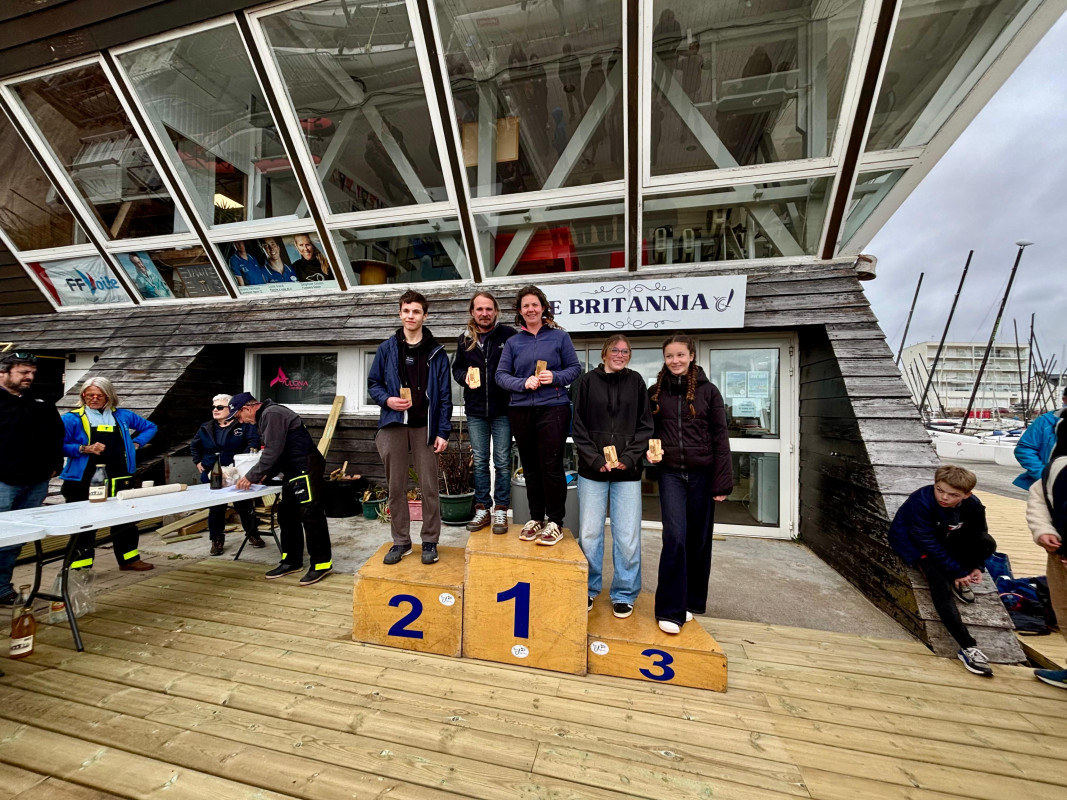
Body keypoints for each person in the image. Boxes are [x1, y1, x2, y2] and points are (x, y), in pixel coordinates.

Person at [646, 335, 732, 634]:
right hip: (670, 474)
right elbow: (648, 431)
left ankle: (691, 601)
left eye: (680, 355)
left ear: (691, 356)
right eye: (669, 356)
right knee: (675, 538)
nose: (675, 361)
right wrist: (649, 454)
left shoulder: (709, 392)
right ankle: (670, 610)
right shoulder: (655, 393)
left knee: (698, 540)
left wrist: (722, 483)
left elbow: (721, 437)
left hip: (702, 475)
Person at [368, 290, 452, 565]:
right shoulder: (387, 349)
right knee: (396, 487)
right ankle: (401, 541)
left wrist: (443, 431)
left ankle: (430, 540)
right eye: (406, 311)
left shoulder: (437, 353)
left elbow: (445, 397)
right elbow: (374, 384)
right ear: (400, 313)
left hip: (425, 427)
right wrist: (387, 400)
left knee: (429, 486)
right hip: (393, 424)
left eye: (416, 311)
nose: (410, 316)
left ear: (425, 316)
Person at [572, 335, 653, 618]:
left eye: (625, 351)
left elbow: (645, 427)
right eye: (615, 350)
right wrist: (595, 460)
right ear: (604, 353)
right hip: (592, 472)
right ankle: (588, 588)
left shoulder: (636, 382)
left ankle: (624, 593)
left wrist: (628, 459)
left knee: (627, 536)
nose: (620, 355)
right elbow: (578, 426)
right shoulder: (586, 382)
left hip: (627, 473)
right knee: (590, 535)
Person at [889, 465, 997, 677]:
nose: (944, 497)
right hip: (915, 545)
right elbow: (926, 542)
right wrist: (957, 571)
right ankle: (968, 647)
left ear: (967, 495)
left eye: (953, 495)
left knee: (987, 543)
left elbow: (980, 533)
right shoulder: (921, 500)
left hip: (944, 539)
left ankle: (959, 579)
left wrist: (977, 566)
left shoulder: (973, 504)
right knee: (939, 583)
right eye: (939, 490)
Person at [496, 285, 581, 546]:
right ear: (520, 311)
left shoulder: (559, 337)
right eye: (526, 306)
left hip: (553, 407)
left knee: (551, 466)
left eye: (535, 304)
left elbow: (574, 369)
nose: (531, 309)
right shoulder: (513, 342)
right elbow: (501, 376)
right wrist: (523, 383)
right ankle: (535, 518)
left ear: (543, 307)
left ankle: (555, 521)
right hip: (521, 409)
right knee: (531, 467)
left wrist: (554, 376)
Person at [232, 392, 332, 585]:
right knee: (287, 515)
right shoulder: (266, 417)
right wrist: (265, 476)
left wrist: (251, 476)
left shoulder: (272, 413)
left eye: (239, 416)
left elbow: (272, 451)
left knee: (311, 515)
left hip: (305, 467)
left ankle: (321, 564)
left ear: (247, 408)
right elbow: (279, 452)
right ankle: (291, 561)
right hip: (292, 470)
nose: (241, 421)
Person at [60, 377, 157, 572]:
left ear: (109, 396)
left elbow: (150, 427)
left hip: (120, 477)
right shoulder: (71, 419)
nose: (94, 399)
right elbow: (58, 445)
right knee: (84, 524)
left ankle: (129, 560)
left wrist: (136, 443)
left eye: (99, 395)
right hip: (84, 480)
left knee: (126, 521)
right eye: (89, 395)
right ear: (83, 396)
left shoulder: (122, 416)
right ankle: (80, 568)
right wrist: (84, 448)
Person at [0, 352, 64, 606]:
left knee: (17, 537)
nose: (29, 377)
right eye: (23, 372)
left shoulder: (40, 400)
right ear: (3, 372)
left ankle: (1, 587)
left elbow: (57, 434)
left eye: (32, 373)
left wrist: (56, 465)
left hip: (36, 481)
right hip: (3, 482)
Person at [451, 292, 516, 535]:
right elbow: (457, 368)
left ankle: (501, 509)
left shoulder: (508, 335)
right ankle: (482, 508)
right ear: (472, 312)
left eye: (489, 309)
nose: (484, 313)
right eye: (480, 309)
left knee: (502, 462)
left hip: (503, 410)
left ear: (496, 311)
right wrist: (464, 378)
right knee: (479, 462)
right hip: (476, 410)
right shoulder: (465, 338)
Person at [190, 393, 265, 556]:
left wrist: (240, 464)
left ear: (230, 408)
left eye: (219, 407)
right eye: (213, 407)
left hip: (237, 473)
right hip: (213, 473)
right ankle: (216, 539)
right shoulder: (206, 427)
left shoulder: (243, 425)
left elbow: (253, 443)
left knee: (244, 506)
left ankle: (252, 534)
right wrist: (198, 461)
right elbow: (194, 446)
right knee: (216, 508)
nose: (215, 410)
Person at [1026, 417, 1067, 688]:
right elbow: (1039, 498)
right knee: (1063, 610)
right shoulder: (1056, 467)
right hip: (1059, 555)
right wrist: (1042, 530)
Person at [1013, 388, 1066, 489]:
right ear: (1064, 400)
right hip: (1049, 485)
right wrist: (1043, 475)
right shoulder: (1045, 421)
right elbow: (1025, 449)